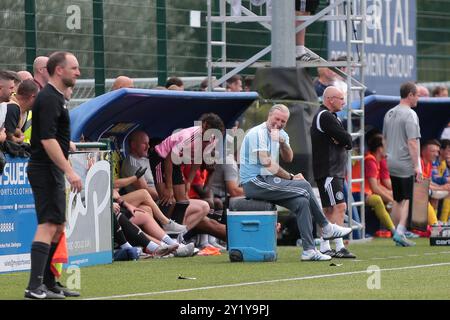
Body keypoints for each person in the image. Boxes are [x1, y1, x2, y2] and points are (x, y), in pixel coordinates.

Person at [240, 104, 352, 261]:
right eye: (277, 119)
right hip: (254, 182)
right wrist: (292, 177)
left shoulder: (281, 133)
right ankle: (326, 227)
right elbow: (268, 164)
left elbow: (288, 158)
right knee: (305, 186)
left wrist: (283, 143)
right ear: (269, 116)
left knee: (301, 202)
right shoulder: (257, 133)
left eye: (283, 121)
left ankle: (309, 250)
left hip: (268, 180)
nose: (279, 123)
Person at [25, 51, 82, 299]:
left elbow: (52, 135)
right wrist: (70, 171)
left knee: (58, 226)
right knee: (48, 225)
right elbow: (46, 139)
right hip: (45, 169)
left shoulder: (57, 98)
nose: (78, 72)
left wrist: (66, 143)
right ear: (59, 70)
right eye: (74, 68)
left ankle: (48, 283)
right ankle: (34, 287)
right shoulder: (48, 98)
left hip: (51, 170)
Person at [310, 86, 356, 258]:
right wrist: (343, 140)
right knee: (339, 206)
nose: (343, 102)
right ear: (330, 99)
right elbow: (347, 139)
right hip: (329, 170)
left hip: (330, 170)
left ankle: (324, 246)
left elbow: (345, 140)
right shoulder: (325, 116)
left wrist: (344, 140)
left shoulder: (329, 116)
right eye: (341, 98)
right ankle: (339, 246)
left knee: (329, 209)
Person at [383, 81, 421, 247]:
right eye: (417, 95)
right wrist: (417, 166)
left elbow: (383, 139)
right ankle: (400, 232)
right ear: (410, 95)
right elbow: (412, 142)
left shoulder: (389, 113)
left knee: (398, 198)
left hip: (391, 161)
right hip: (405, 162)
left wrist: (388, 155)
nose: (418, 98)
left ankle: (397, 233)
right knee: (407, 198)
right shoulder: (411, 114)